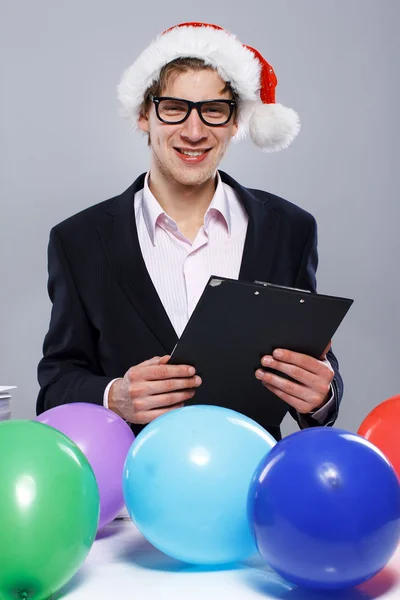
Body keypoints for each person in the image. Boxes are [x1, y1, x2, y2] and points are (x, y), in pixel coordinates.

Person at [37, 22, 341, 441]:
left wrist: (322, 394)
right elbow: (55, 386)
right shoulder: (79, 240)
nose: (194, 131)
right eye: (174, 107)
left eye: (213, 110)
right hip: (135, 485)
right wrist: (115, 395)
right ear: (144, 114)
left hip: (250, 479)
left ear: (235, 121)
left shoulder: (289, 229)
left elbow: (311, 360)